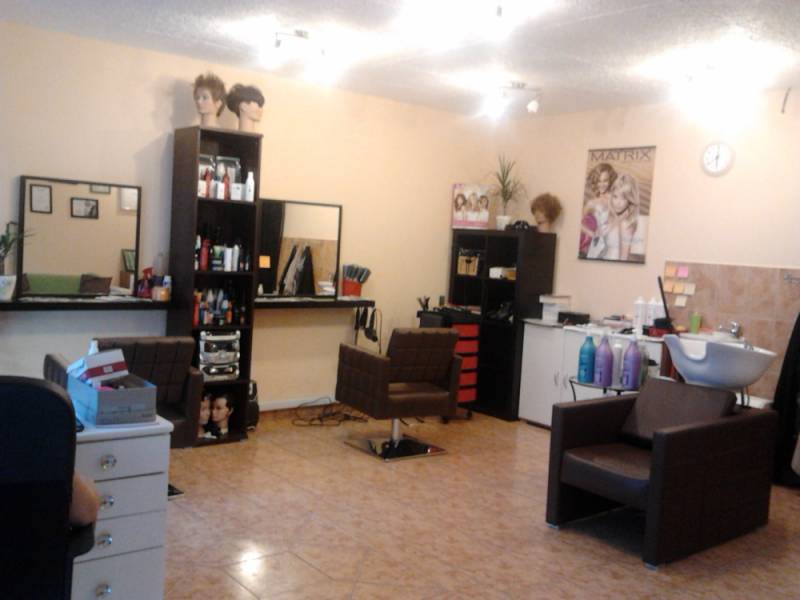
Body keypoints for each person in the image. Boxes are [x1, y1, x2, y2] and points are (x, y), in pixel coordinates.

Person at [582, 162, 617, 259]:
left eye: (605, 180)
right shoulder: (592, 203)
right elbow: (579, 223)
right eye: (599, 181)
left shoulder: (616, 199)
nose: (602, 184)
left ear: (611, 180)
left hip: (613, 243)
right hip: (598, 244)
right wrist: (591, 233)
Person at [607, 173, 639, 261]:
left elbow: (623, 258)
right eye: (615, 196)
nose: (618, 202)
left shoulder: (625, 223)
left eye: (624, 198)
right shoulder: (616, 218)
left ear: (630, 200)